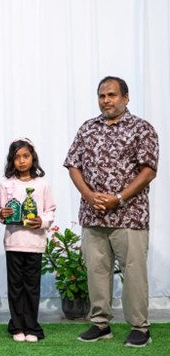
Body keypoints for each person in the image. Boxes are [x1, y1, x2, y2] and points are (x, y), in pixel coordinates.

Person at [64, 76, 158, 348]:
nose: (106, 100)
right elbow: (73, 165)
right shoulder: (87, 128)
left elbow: (148, 171)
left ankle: (140, 327)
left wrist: (119, 198)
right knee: (96, 271)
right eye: (102, 96)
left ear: (125, 98)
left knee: (134, 273)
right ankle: (100, 324)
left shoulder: (142, 129)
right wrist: (88, 195)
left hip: (130, 216)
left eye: (112, 95)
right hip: (93, 215)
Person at [0, 138, 56, 343]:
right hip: (13, 242)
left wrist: (42, 221)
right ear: (11, 160)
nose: (21, 161)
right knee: (15, 287)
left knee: (32, 287)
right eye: (17, 157)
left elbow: (50, 210)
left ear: (33, 158)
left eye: (26, 156)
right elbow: (0, 211)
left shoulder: (42, 184)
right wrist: (1, 214)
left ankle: (31, 326)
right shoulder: (6, 184)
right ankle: (17, 326)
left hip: (35, 243)